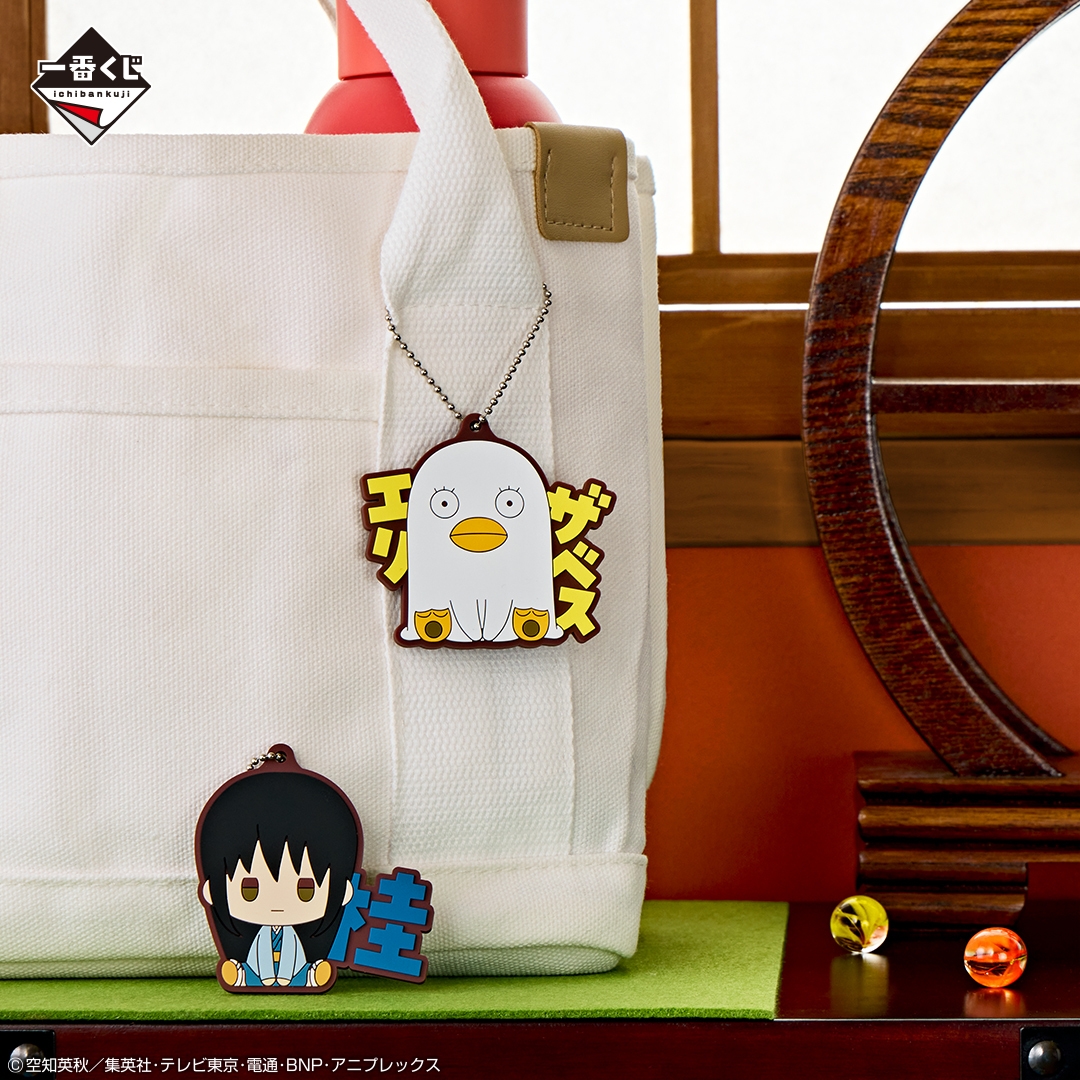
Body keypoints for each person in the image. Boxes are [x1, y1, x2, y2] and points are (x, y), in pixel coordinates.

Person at [196, 748, 361, 992]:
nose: (277, 905)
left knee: (297, 968)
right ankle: (246, 975)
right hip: (259, 971)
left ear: (346, 891)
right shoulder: (260, 936)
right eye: (249, 889)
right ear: (210, 890)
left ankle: (306, 976)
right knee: (254, 966)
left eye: (305, 890)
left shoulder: (295, 937)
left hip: (293, 971)